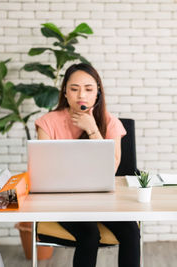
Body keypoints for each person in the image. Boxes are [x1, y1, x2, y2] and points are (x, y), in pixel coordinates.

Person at [35, 63, 140, 267]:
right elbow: (44, 171)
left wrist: (92, 130)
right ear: (65, 92)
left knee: (131, 232)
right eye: (74, 89)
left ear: (98, 93)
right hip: (63, 200)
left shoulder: (111, 124)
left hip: (102, 199)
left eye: (88, 89)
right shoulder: (47, 123)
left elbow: (110, 169)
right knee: (89, 235)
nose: (81, 95)